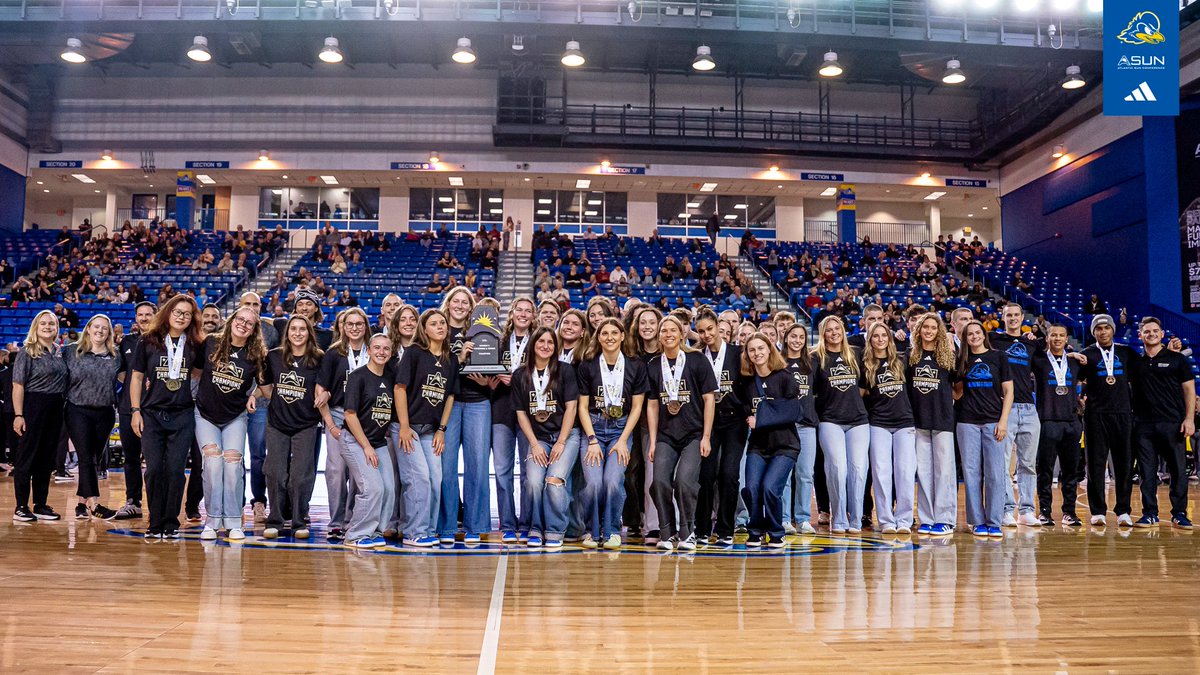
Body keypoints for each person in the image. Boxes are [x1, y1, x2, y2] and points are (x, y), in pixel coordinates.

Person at [129, 295, 205, 539]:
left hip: (182, 414)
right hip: (151, 414)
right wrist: (135, 411)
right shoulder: (148, 341)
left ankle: (171, 522)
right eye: (177, 312)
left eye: (187, 313)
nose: (181, 317)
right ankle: (155, 520)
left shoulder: (195, 344)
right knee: (153, 470)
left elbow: (199, 374)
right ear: (168, 312)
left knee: (174, 470)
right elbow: (137, 378)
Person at [645, 315, 718, 552]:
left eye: (672, 330)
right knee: (658, 482)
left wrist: (706, 436)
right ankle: (667, 532)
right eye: (663, 330)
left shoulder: (697, 360)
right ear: (659, 335)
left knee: (685, 482)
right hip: (666, 435)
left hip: (694, 433)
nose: (668, 334)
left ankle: (688, 532)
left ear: (682, 333)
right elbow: (653, 404)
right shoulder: (654, 365)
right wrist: (654, 441)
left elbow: (709, 399)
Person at [194, 307, 266, 540]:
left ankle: (234, 521)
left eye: (250, 323)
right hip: (205, 414)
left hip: (235, 416)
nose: (243, 324)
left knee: (234, 464)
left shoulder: (256, 354)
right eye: (240, 319)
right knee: (213, 463)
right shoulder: (211, 343)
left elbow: (267, 387)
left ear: (254, 330)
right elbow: (194, 371)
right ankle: (213, 521)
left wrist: (254, 395)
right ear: (232, 319)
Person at [577, 317, 648, 549]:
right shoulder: (588, 365)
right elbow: (582, 407)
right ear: (598, 337)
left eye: (614, 333)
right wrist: (592, 440)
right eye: (604, 333)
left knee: (613, 481)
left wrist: (623, 440)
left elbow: (637, 407)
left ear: (622, 336)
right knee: (594, 483)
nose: (609, 337)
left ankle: (613, 531)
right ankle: (591, 530)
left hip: (621, 429)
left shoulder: (635, 365)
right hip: (594, 428)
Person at [393, 309, 457, 548]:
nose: (440, 326)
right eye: (434, 323)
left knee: (435, 478)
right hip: (407, 427)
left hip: (431, 430)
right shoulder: (414, 353)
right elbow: (399, 388)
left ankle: (428, 529)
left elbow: (449, 395)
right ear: (424, 329)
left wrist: (442, 429)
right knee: (418, 478)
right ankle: (413, 532)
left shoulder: (450, 358)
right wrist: (404, 426)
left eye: (443, 322)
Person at [512, 327, 579, 548]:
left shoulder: (565, 371)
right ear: (533, 345)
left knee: (554, 481)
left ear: (555, 346)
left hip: (566, 436)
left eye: (550, 342)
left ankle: (555, 529)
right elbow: (521, 413)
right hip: (537, 438)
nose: (545, 346)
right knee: (532, 482)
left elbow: (571, 408)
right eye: (541, 341)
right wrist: (533, 444)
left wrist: (561, 441)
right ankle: (535, 528)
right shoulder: (520, 375)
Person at [261, 316, 325, 540]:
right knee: (276, 472)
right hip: (277, 423)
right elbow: (266, 386)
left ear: (309, 333)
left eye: (302, 329)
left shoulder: (319, 358)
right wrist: (270, 399)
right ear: (287, 332)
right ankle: (275, 520)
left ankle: (298, 521)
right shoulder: (274, 356)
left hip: (306, 424)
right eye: (293, 329)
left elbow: (324, 387)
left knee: (300, 475)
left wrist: (325, 394)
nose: (298, 333)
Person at [1129, 317, 1196, 528]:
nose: (1151, 334)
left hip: (1172, 423)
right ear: (1140, 335)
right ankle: (1150, 513)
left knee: (1177, 470)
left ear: (1162, 334)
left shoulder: (1177, 360)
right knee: (1147, 472)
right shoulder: (1136, 363)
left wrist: (1189, 418)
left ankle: (1180, 513)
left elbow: (1189, 390)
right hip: (1143, 425)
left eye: (1154, 331)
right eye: (1146, 332)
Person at [440, 286, 491, 545]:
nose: (460, 305)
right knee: (445, 467)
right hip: (446, 405)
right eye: (455, 301)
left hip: (478, 402)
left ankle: (475, 525)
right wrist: (459, 358)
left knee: (478, 466)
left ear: (471, 307)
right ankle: (447, 526)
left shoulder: (481, 331)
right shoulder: (437, 329)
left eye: (465, 302)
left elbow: (491, 369)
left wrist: (488, 379)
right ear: (448, 304)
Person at [740, 332, 801, 548]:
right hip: (758, 446)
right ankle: (756, 529)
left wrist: (761, 420)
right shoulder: (746, 382)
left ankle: (777, 531)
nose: (757, 353)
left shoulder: (784, 376)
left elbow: (793, 412)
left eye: (761, 348)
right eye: (752, 349)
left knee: (770, 488)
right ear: (747, 354)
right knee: (751, 488)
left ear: (769, 350)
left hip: (785, 446)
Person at [693, 308, 748, 544]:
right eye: (701, 331)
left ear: (718, 325)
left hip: (735, 420)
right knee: (706, 474)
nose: (706, 334)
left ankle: (726, 529)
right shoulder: (696, 356)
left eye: (709, 329)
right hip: (709, 421)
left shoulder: (738, 353)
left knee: (729, 473)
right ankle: (702, 528)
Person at [316, 307, 371, 542]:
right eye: (350, 323)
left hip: (365, 419)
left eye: (359, 324)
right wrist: (330, 424)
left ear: (366, 327)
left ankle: (352, 520)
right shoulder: (333, 354)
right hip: (338, 416)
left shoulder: (374, 351)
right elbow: (321, 391)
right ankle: (337, 522)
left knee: (359, 472)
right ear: (342, 326)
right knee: (337, 471)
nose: (355, 328)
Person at [954, 320, 1013, 538]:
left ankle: (994, 521)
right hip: (967, 421)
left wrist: (1003, 421)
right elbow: (957, 393)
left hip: (993, 422)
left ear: (983, 334)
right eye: (970, 334)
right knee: (971, 474)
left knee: (996, 474)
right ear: (965, 338)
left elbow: (1009, 392)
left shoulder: (999, 357)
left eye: (978, 332)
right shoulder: (961, 360)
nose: (974, 336)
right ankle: (977, 521)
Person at [811, 315, 869, 534]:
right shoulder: (816, 357)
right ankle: (839, 516)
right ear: (822, 333)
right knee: (837, 468)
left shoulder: (855, 354)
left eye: (837, 328)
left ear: (843, 330)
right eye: (829, 330)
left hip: (858, 421)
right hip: (830, 420)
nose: (834, 332)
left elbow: (864, 387)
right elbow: (813, 392)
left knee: (858, 469)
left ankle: (855, 519)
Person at [1079, 314, 1137, 527]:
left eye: (1106, 327)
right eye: (1098, 329)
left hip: (1122, 413)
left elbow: (1144, 372)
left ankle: (1123, 510)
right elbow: (1072, 377)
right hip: (1095, 415)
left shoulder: (1126, 352)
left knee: (1124, 464)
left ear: (1113, 330)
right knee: (1095, 464)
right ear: (1093, 332)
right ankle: (1098, 511)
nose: (1103, 332)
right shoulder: (1086, 354)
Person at [340, 333, 398, 549]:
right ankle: (355, 534)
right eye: (377, 348)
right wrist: (366, 447)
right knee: (372, 487)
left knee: (388, 489)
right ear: (370, 350)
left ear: (391, 353)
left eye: (386, 349)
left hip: (378, 441)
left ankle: (375, 531)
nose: (381, 352)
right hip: (354, 440)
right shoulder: (358, 377)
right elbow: (350, 414)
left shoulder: (390, 378)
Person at [10, 310, 68, 523]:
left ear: (56, 328)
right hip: (33, 406)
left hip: (55, 408)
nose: (47, 327)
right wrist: (18, 414)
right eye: (43, 323)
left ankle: (41, 504)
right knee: (27, 458)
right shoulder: (27, 351)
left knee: (46, 460)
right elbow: (18, 385)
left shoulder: (59, 351)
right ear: (36, 326)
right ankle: (21, 506)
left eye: (51, 324)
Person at [63, 314, 122, 521]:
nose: (100, 331)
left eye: (104, 328)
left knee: (93, 459)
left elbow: (128, 377)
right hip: (77, 410)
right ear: (88, 328)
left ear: (109, 332)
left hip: (104, 411)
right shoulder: (71, 351)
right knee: (86, 456)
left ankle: (81, 505)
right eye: (96, 327)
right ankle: (95, 504)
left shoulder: (116, 355)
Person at [989, 303, 1043, 527]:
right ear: (1002, 318)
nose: (1012, 318)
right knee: (1002, 463)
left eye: (1016, 315)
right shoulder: (993, 339)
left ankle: (1027, 510)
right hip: (1005, 407)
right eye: (1008, 315)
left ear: (1022, 318)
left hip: (1029, 407)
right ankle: (1006, 509)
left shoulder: (1031, 343)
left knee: (1028, 463)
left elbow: (1053, 356)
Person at [861, 323, 916, 534]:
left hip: (904, 422)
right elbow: (860, 396)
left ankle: (904, 519)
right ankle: (885, 520)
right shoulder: (866, 365)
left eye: (884, 335)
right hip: (878, 424)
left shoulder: (902, 361)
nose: (880, 339)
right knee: (881, 472)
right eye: (876, 336)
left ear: (890, 338)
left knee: (904, 472)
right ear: (870, 339)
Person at [907, 313, 957, 536]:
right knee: (924, 472)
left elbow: (959, 388)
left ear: (939, 331)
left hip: (943, 420)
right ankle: (927, 518)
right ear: (918, 330)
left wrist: (945, 403)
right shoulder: (910, 356)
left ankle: (945, 519)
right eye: (925, 327)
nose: (928, 331)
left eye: (933, 327)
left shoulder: (947, 357)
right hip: (918, 422)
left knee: (944, 472)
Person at [490, 297, 535, 544]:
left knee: (529, 472)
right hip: (501, 410)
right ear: (512, 313)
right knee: (502, 470)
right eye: (519, 309)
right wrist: (493, 377)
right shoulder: (498, 342)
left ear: (533, 315)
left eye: (528, 311)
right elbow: (487, 373)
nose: (523, 314)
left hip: (529, 413)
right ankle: (507, 523)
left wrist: (519, 379)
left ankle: (527, 523)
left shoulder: (538, 342)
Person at [1032, 324, 1084, 527]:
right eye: (1053, 335)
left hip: (1071, 423)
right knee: (1044, 470)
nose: (1057, 338)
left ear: (1066, 338)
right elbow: (1028, 349)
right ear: (1047, 338)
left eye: (1061, 335)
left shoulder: (1075, 363)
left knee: (1071, 471)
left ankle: (1069, 512)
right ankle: (1045, 512)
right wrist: (1037, 340)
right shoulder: (1038, 361)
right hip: (1047, 421)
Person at [113, 301, 156, 520]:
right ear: (135, 318)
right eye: (140, 314)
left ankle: (156, 503)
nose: (144, 318)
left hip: (154, 409)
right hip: (129, 408)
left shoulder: (162, 341)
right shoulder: (127, 342)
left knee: (154, 460)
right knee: (130, 458)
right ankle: (133, 502)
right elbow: (121, 373)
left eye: (148, 314)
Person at [626, 305, 663, 544]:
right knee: (630, 472)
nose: (647, 327)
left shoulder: (669, 352)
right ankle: (633, 518)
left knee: (653, 472)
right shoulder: (630, 355)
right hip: (631, 419)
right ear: (636, 327)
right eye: (643, 323)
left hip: (661, 422)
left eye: (652, 322)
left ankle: (655, 524)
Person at [780, 323, 820, 536]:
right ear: (786, 338)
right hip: (784, 425)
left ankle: (803, 519)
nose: (797, 340)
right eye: (793, 336)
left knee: (805, 473)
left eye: (801, 337)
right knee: (785, 474)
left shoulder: (812, 362)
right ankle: (784, 519)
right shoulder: (777, 361)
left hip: (806, 425)